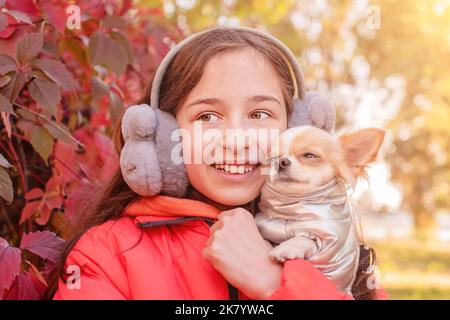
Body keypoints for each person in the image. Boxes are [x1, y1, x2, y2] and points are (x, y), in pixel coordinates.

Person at [49, 26, 387, 300]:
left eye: (259, 114)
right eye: (207, 116)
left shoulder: (333, 247)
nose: (237, 138)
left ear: (296, 129)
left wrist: (275, 284)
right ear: (164, 137)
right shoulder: (106, 255)